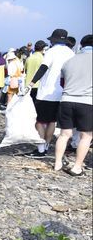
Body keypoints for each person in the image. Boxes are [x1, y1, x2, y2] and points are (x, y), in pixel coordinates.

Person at [26, 28, 75, 158]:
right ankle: (46, 145)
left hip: (47, 93)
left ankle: (41, 149)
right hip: (63, 93)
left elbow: (43, 67)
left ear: (53, 40)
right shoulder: (71, 53)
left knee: (40, 121)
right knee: (52, 121)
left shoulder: (51, 51)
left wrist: (31, 83)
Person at [54, 34, 93, 175]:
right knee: (86, 136)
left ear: (81, 45)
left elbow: (62, 83)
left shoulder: (69, 61)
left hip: (66, 100)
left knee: (64, 134)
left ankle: (57, 163)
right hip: (87, 102)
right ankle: (77, 167)